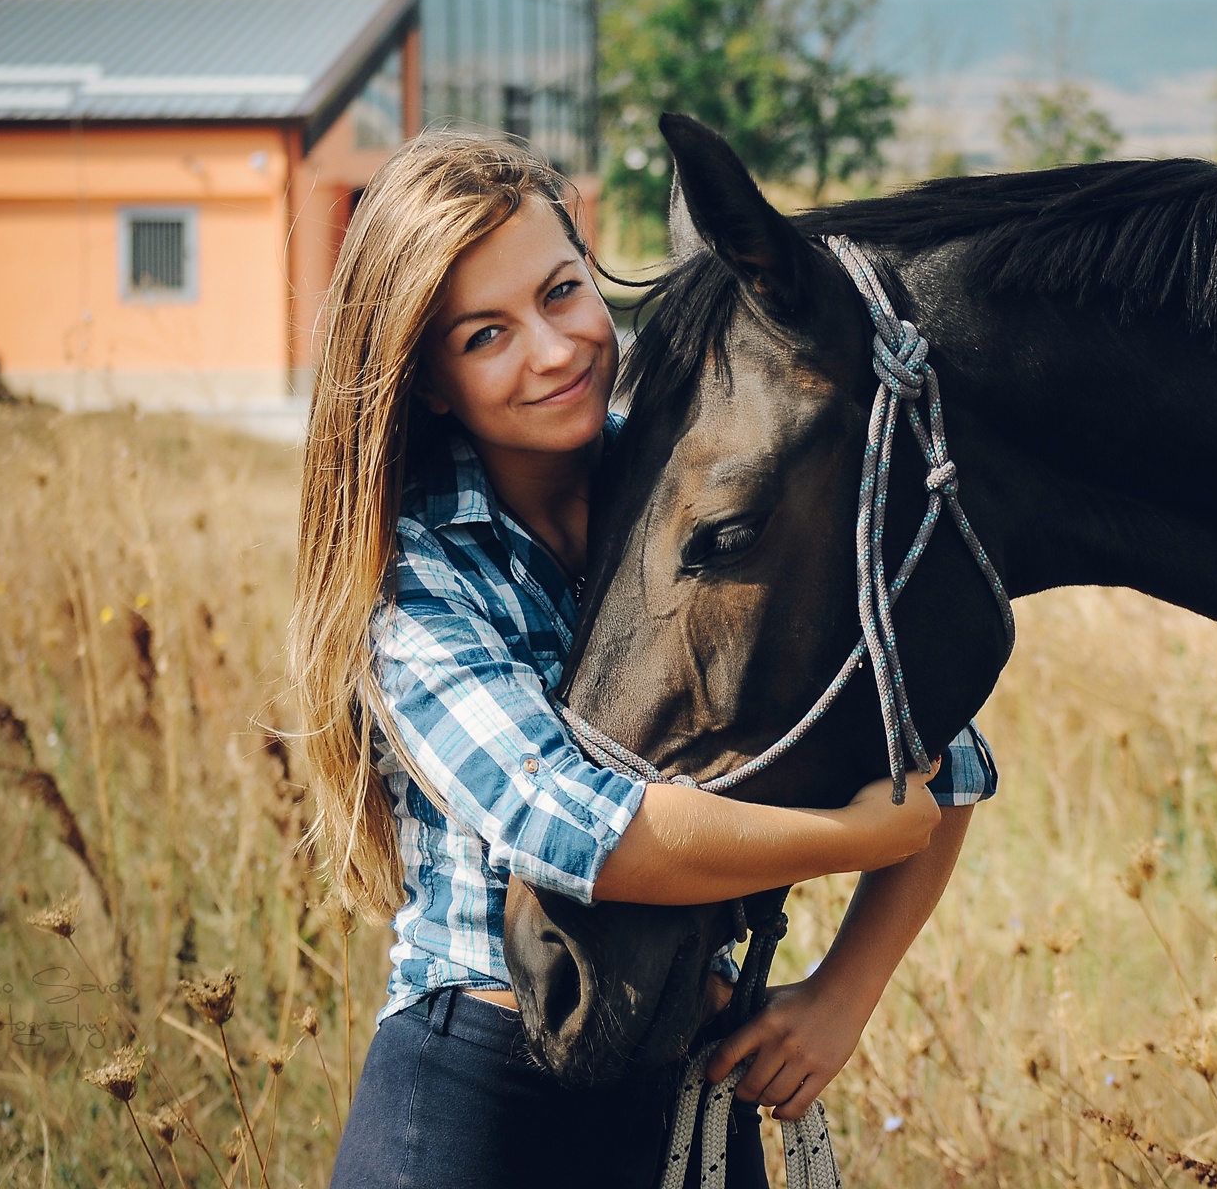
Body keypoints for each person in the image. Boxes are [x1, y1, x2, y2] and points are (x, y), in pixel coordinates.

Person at [290, 132, 996, 1188]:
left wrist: (842, 993)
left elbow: (943, 752)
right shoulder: (412, 575)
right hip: (478, 1099)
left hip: (688, 1079)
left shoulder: (702, 496)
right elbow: (564, 821)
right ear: (429, 382)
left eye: (561, 291)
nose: (553, 348)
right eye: (486, 334)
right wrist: (844, 837)